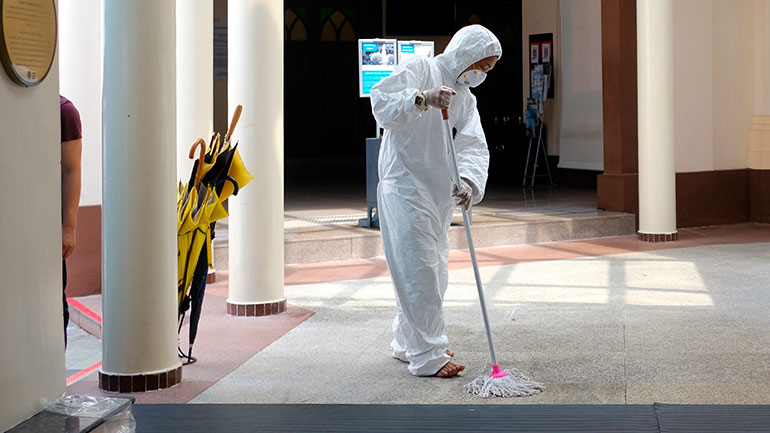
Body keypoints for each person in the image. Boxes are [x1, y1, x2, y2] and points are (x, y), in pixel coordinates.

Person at [370, 25, 501, 377]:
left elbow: (474, 145)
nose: (481, 75)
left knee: (433, 270)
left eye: (487, 71)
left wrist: (470, 183)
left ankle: (407, 341)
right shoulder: (420, 68)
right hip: (404, 183)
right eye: (481, 66)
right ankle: (428, 355)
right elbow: (380, 102)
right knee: (419, 268)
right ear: (466, 55)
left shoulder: (466, 98)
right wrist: (421, 99)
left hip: (437, 191)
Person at [61, 95, 82, 348]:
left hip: (47, 227)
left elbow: (71, 169)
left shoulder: (64, 111)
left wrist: (69, 227)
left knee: (55, 306)